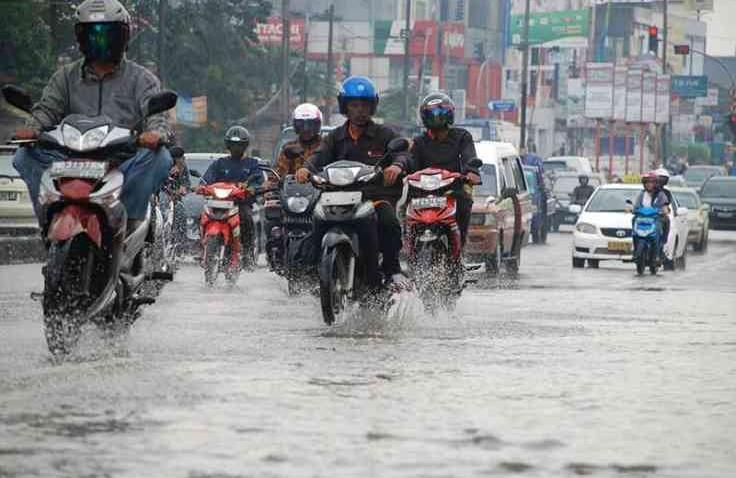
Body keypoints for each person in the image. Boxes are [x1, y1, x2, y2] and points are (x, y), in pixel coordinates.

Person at [12, 0, 172, 232]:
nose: (101, 40)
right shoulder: (64, 77)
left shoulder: (142, 79)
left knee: (161, 158)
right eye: (93, 34)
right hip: (68, 157)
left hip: (121, 159)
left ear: (123, 37)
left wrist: (155, 133)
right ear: (81, 37)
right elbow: (46, 109)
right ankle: (48, 215)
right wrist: (32, 127)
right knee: (24, 155)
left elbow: (156, 115)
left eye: (108, 34)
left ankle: (129, 220)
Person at [295, 76, 410, 287]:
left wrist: (397, 166)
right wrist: (305, 168)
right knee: (315, 217)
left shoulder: (385, 135)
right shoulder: (335, 137)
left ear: (372, 106)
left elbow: (402, 154)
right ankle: (311, 266)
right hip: (338, 196)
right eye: (354, 105)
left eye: (364, 105)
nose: (360, 110)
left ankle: (392, 269)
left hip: (375, 197)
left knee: (389, 222)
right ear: (345, 107)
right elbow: (319, 156)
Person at [409, 92, 480, 246]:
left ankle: (460, 249)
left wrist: (471, 172)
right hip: (423, 192)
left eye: (441, 112)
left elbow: (469, 157)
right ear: (424, 116)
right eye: (431, 113)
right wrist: (401, 173)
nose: (436, 117)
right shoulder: (419, 141)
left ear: (450, 114)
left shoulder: (462, 136)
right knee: (403, 207)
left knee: (464, 202)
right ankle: (406, 248)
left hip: (452, 190)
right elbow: (411, 164)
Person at [202, 126, 263, 270]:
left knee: (247, 218)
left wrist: (253, 188)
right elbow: (207, 179)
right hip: (218, 203)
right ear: (228, 145)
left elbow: (258, 181)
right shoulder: (219, 163)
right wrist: (201, 186)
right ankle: (202, 248)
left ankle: (248, 253)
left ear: (245, 146)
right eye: (233, 144)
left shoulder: (252, 164)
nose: (236, 148)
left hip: (241, 204)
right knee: (203, 215)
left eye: (239, 145)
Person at [275, 103, 323, 178]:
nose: (305, 129)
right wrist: (268, 185)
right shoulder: (289, 147)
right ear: (295, 125)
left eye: (310, 124)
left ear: (317, 125)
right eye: (301, 125)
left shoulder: (327, 145)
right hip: (295, 188)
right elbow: (278, 174)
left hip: (324, 187)